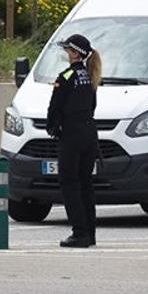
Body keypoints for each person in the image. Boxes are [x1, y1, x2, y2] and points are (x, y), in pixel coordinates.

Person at [47, 34, 102, 248]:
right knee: (86, 184)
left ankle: (79, 233)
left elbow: (55, 107)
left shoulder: (66, 76)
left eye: (68, 50)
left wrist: (52, 128)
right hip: (90, 134)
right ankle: (90, 232)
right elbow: (92, 107)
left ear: (75, 53)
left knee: (69, 183)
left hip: (72, 136)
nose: (66, 53)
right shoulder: (91, 77)